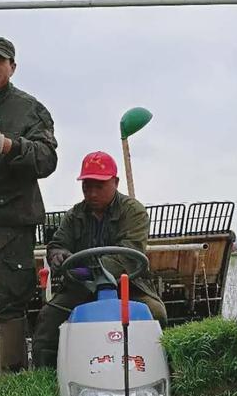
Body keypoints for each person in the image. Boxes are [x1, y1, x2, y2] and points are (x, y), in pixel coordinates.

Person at [0, 35, 57, 372]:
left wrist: (8, 146)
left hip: (13, 225)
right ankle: (4, 372)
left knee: (6, 305)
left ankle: (14, 381)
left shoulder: (28, 108)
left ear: (12, 67)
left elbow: (47, 159)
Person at [32, 151, 167, 368]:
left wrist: (89, 268)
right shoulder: (74, 215)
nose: (92, 193)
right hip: (81, 286)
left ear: (115, 182)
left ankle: (159, 370)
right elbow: (58, 243)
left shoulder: (134, 212)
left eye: (99, 186)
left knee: (156, 313)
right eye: (87, 186)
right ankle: (45, 379)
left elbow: (128, 255)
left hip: (127, 284)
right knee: (48, 318)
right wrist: (57, 254)